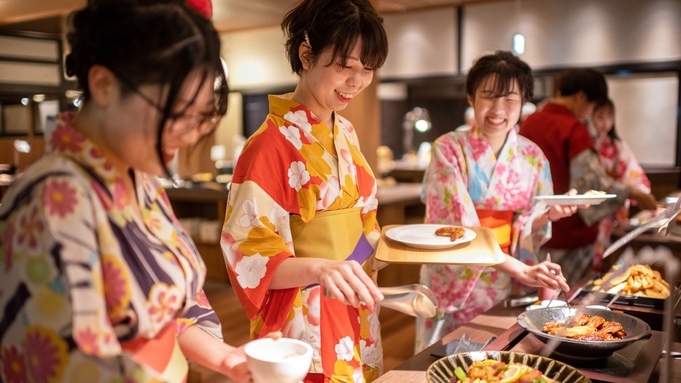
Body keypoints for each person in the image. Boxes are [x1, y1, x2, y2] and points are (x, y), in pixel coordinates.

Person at [0, 1, 274, 382]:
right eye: (177, 114)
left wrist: (225, 358)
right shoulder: (51, 202)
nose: (191, 134)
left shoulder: (139, 178)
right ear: (103, 84)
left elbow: (167, 309)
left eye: (201, 117)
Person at [220, 0, 388, 381]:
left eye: (368, 69)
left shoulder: (344, 131)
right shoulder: (268, 144)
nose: (356, 81)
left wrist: (388, 249)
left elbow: (365, 222)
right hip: (305, 307)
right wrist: (321, 267)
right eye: (345, 66)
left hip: (353, 299)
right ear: (307, 54)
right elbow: (247, 252)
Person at [417, 51, 573, 352]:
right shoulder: (448, 148)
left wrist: (549, 215)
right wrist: (521, 270)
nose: (498, 108)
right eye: (488, 96)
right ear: (471, 96)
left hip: (504, 278)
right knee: (441, 360)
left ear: (524, 101)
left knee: (497, 356)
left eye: (510, 99)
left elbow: (524, 221)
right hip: (455, 274)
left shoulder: (532, 156)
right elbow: (459, 228)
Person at [519, 69, 657, 285]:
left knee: (539, 295)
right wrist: (633, 192)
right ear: (580, 97)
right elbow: (592, 183)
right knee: (570, 296)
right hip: (572, 232)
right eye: (592, 107)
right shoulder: (573, 129)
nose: (588, 114)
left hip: (533, 229)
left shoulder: (528, 124)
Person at [591, 99, 652, 271]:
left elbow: (633, 176)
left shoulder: (617, 146)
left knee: (609, 260)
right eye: (600, 117)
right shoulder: (584, 143)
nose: (605, 123)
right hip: (586, 210)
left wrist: (637, 193)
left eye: (609, 117)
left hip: (609, 209)